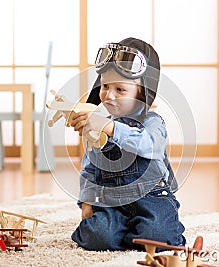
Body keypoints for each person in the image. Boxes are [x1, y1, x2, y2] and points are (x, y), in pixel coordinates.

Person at [70, 37, 186, 251]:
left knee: (158, 235)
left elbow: (149, 146)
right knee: (96, 237)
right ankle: (126, 232)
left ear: (142, 92)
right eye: (105, 86)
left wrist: (111, 128)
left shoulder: (153, 122)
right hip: (111, 199)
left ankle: (136, 231)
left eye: (120, 90)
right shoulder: (99, 125)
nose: (109, 95)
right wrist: (86, 202)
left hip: (152, 198)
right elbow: (89, 168)